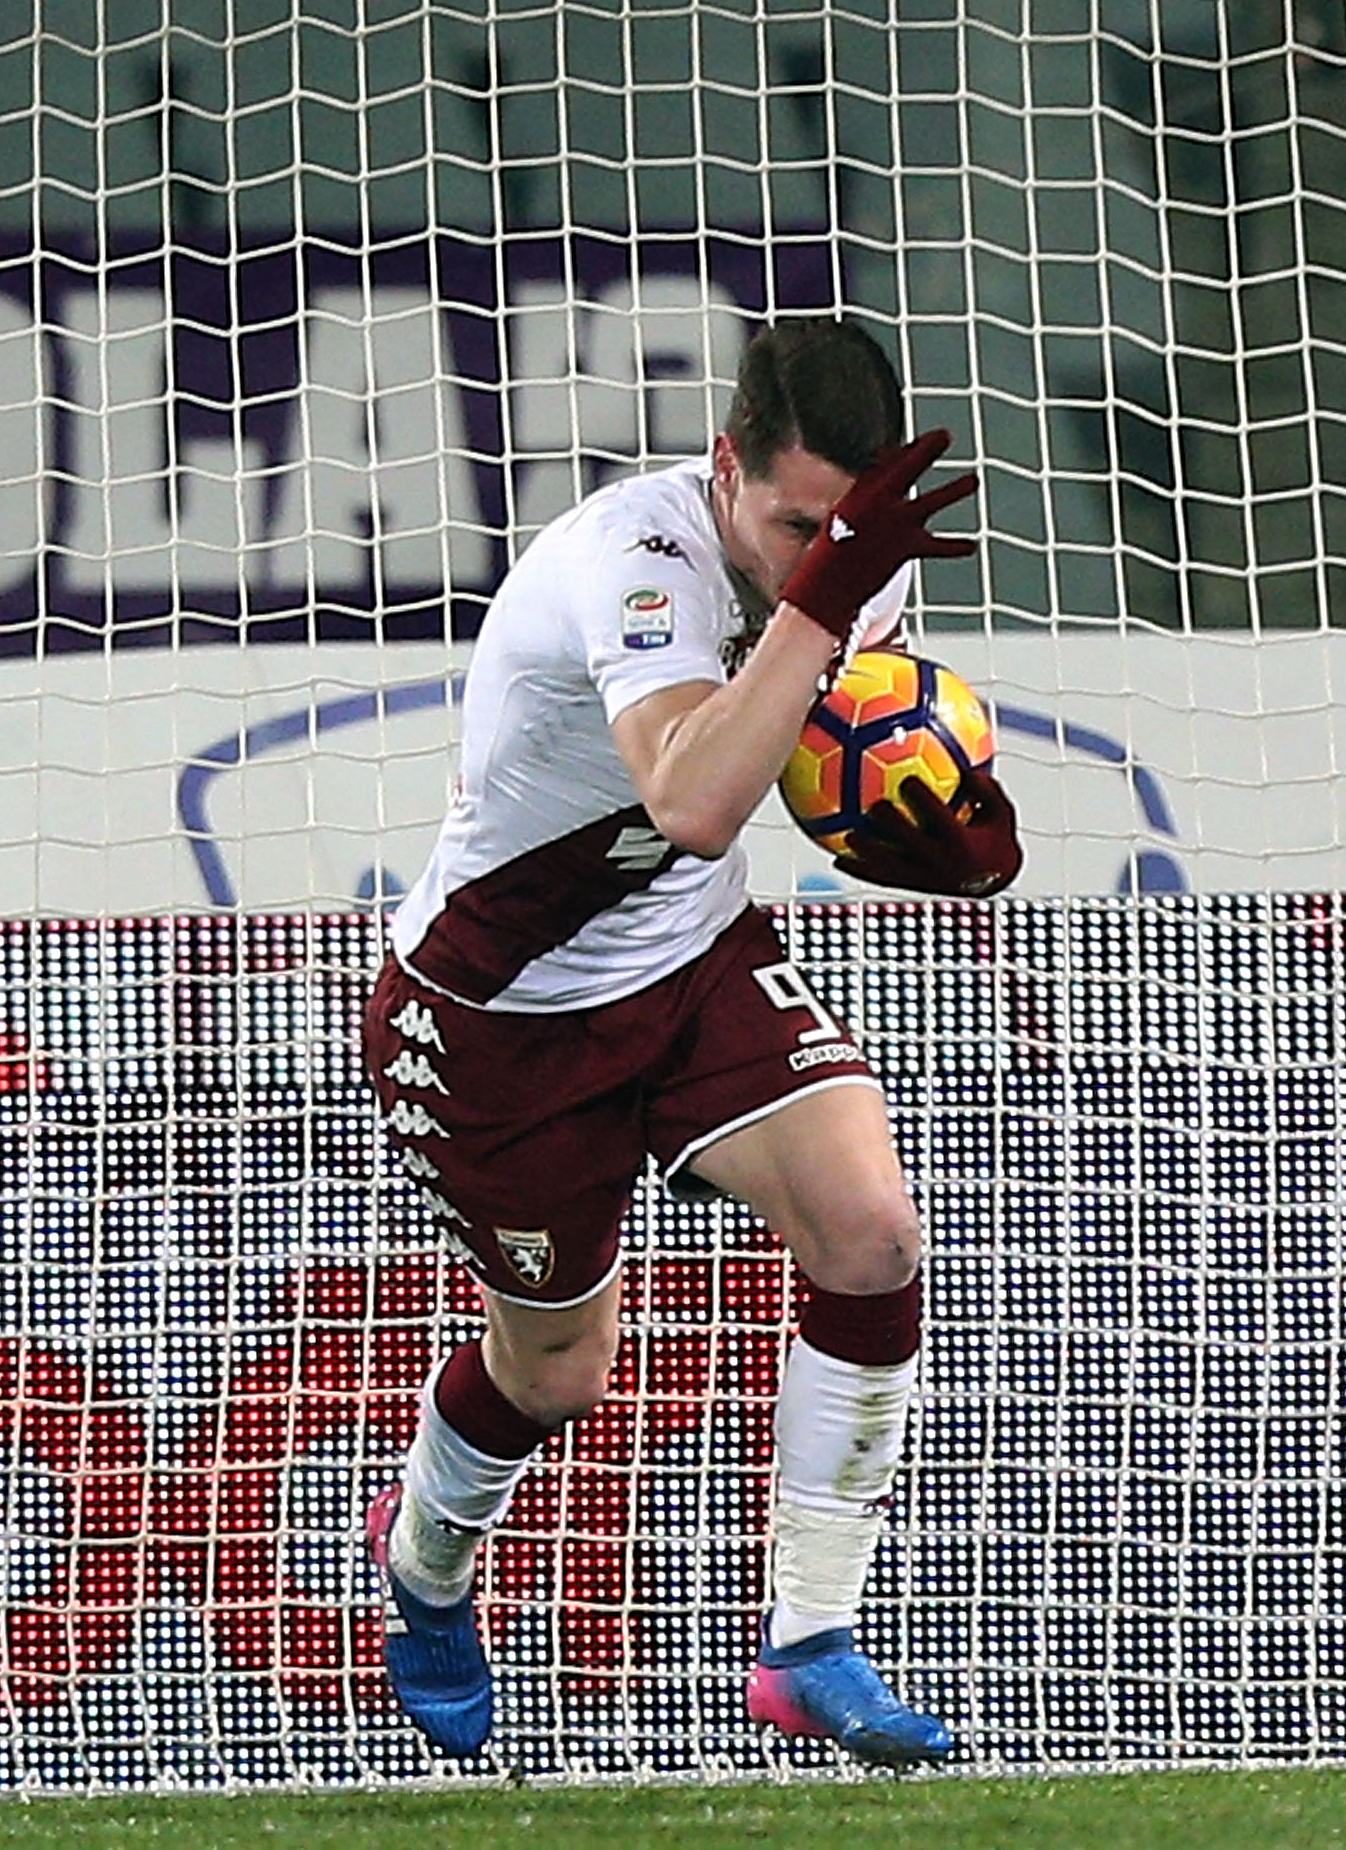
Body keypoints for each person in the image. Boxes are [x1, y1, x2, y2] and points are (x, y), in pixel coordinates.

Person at [360, 317, 1017, 1767]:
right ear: (725, 467)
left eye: (839, 532)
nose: (815, 556)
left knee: (873, 1234)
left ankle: (810, 1642)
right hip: (496, 1015)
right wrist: (822, 601)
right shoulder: (635, 560)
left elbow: (832, 746)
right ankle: (425, 1558)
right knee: (557, 1373)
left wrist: (938, 824)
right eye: (791, 526)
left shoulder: (859, 558)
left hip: (690, 958)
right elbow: (693, 801)